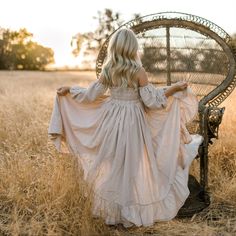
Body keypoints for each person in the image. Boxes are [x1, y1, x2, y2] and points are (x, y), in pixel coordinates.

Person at [48, 28, 203, 228]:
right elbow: (151, 101)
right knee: (133, 164)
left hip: (111, 120)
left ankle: (114, 212)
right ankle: (130, 210)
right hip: (133, 122)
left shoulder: (109, 69)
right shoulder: (138, 71)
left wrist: (70, 90)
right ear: (133, 48)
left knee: (114, 163)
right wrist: (173, 89)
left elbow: (91, 95)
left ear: (114, 47)